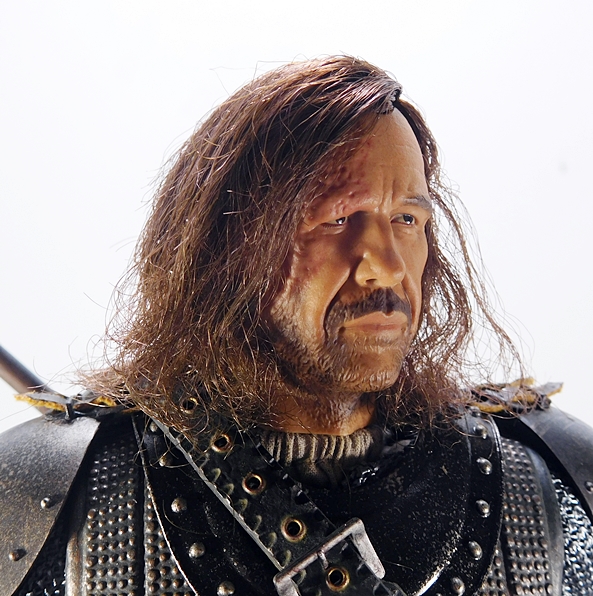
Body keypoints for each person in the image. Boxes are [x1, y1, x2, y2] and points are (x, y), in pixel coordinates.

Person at [1, 55, 592, 596]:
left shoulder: (546, 490)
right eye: (337, 219)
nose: (386, 265)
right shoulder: (59, 502)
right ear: (231, 248)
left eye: (407, 220)